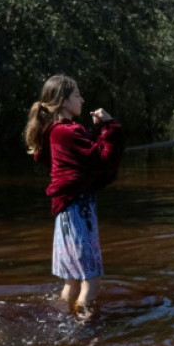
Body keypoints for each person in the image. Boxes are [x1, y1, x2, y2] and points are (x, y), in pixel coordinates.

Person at [24, 75, 124, 315]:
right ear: (63, 101)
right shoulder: (66, 132)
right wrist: (109, 127)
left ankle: (60, 324)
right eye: (77, 95)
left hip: (70, 210)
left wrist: (101, 130)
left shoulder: (56, 131)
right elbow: (102, 159)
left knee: (73, 280)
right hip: (77, 210)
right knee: (92, 280)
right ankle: (83, 331)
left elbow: (89, 156)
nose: (83, 99)